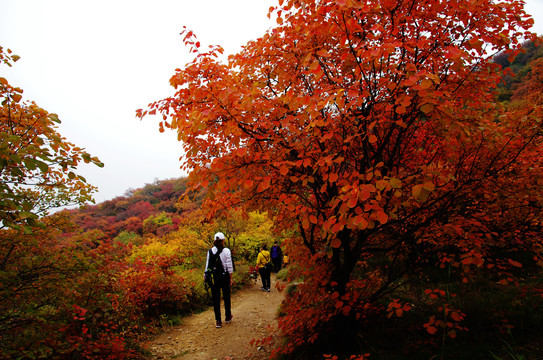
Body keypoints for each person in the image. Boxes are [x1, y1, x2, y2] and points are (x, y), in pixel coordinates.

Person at [204, 232, 234, 328]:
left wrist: (205, 275)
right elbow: (229, 265)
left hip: (214, 278)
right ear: (223, 240)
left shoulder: (210, 251)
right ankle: (228, 316)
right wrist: (231, 278)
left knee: (216, 299)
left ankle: (218, 321)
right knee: (226, 297)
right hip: (224, 276)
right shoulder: (226, 251)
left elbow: (208, 264)